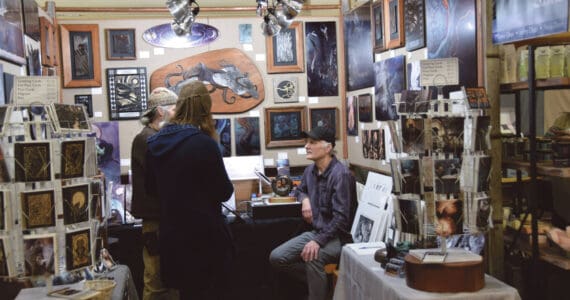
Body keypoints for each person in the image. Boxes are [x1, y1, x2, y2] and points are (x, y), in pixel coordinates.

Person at [146, 81, 235, 300]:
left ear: (180, 104)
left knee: (186, 294)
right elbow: (224, 191)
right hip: (204, 237)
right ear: (205, 109)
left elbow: (151, 189)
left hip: (172, 237)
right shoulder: (204, 144)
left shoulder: (154, 142)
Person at [269, 126, 356, 300]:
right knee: (277, 257)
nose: (307, 146)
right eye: (307, 142)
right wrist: (305, 200)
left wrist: (318, 241)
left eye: (313, 142)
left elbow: (342, 219)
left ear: (328, 147)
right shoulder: (310, 171)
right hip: (318, 232)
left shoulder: (341, 175)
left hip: (339, 238)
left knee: (313, 256)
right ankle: (322, 282)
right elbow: (299, 190)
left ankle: (318, 291)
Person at [130, 87, 178, 300]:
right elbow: (159, 179)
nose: (178, 112)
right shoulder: (147, 140)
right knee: (156, 278)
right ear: (161, 111)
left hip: (165, 218)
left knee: (172, 278)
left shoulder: (156, 137)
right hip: (155, 221)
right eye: (175, 108)